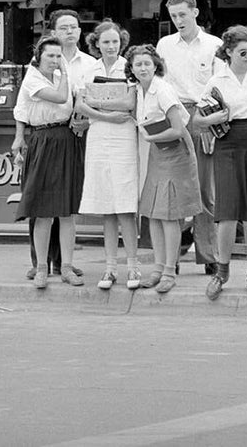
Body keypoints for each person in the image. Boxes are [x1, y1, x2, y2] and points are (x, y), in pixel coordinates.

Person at [198, 25, 247, 300]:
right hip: (228, 142)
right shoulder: (217, 79)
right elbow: (197, 120)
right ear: (228, 52)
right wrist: (212, 120)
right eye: (243, 52)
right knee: (227, 211)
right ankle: (222, 271)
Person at [157, 0, 222, 274]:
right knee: (174, 187)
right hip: (174, 115)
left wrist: (206, 123)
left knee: (205, 189)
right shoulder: (165, 45)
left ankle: (208, 255)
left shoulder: (214, 45)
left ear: (195, 12)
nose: (178, 21)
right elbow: (160, 83)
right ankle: (172, 256)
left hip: (203, 114)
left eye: (183, 14)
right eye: (173, 16)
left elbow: (220, 87)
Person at [131, 44, 202, 293]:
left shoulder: (163, 90)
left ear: (155, 66)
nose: (142, 68)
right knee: (153, 211)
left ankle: (170, 272)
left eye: (146, 64)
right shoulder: (139, 90)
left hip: (174, 152)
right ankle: (158, 268)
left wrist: (150, 139)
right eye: (137, 64)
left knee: (170, 213)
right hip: (157, 153)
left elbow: (178, 129)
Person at [76, 20, 140, 290]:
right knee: (106, 206)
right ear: (96, 44)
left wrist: (98, 103)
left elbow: (129, 103)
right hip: (99, 136)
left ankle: (133, 267)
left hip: (124, 139)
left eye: (115, 42)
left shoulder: (129, 66)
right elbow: (81, 103)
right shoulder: (89, 69)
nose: (111, 46)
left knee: (125, 204)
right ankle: (110, 268)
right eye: (106, 42)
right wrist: (106, 114)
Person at [17, 35, 86, 288]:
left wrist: (82, 116)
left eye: (59, 56)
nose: (56, 60)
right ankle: (42, 268)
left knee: (67, 210)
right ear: (39, 56)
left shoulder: (62, 79)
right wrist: (66, 73)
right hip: (43, 140)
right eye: (51, 56)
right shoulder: (33, 78)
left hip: (66, 138)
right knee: (44, 211)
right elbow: (57, 98)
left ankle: (66, 266)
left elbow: (78, 100)